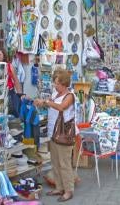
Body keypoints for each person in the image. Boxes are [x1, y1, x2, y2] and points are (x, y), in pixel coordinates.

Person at [35, 69, 75, 202]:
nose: (54, 85)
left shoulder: (70, 96)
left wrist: (47, 102)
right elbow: (51, 104)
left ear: (64, 83)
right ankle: (59, 187)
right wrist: (42, 102)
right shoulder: (56, 94)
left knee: (64, 164)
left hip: (64, 134)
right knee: (55, 163)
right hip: (53, 133)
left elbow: (62, 107)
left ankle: (68, 190)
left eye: (57, 83)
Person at [0, 48, 23, 117]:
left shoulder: (9, 66)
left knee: (9, 111)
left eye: (0, 54)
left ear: (4, 56)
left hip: (8, 92)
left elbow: (16, 80)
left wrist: (20, 94)